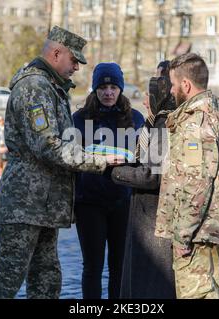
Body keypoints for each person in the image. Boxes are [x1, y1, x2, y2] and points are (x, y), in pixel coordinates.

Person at [0, 26, 123, 299]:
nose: (77, 68)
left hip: (42, 204)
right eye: (74, 60)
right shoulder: (34, 88)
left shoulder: (49, 87)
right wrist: (99, 160)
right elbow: (49, 146)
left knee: (47, 279)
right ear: (57, 53)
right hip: (26, 202)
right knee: (5, 279)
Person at [155, 53, 219, 299]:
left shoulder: (194, 124)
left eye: (172, 84)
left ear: (186, 85)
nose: (170, 91)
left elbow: (196, 184)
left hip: (198, 235)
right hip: (215, 229)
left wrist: (182, 235)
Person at [72, 62, 145, 299]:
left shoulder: (134, 118)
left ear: (121, 89)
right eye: (103, 88)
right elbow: (69, 159)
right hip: (89, 202)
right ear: (95, 90)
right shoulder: (80, 119)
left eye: (114, 87)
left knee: (119, 267)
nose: (108, 92)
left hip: (122, 202)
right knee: (92, 266)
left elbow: (144, 160)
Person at [110, 61, 176, 299]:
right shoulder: (155, 121)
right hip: (146, 216)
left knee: (150, 285)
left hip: (153, 217)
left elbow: (152, 174)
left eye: (149, 95)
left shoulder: (163, 123)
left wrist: (115, 171)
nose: (145, 101)